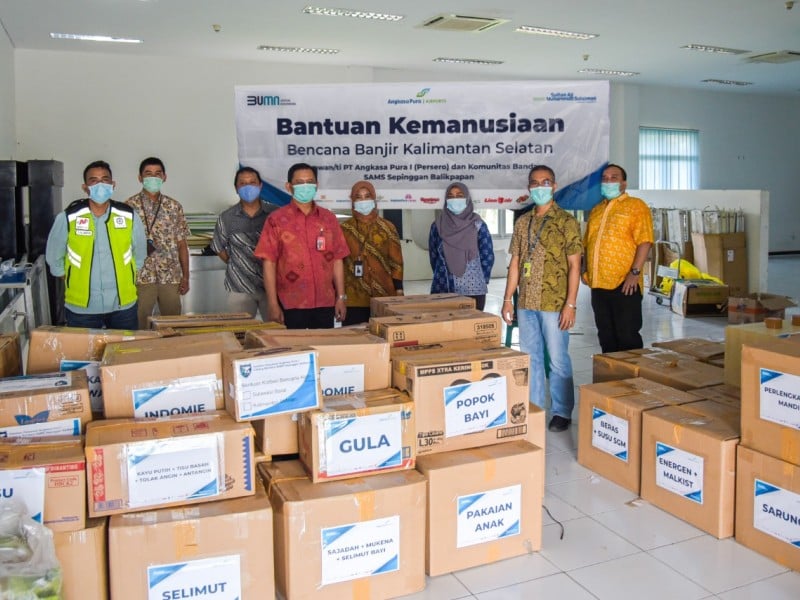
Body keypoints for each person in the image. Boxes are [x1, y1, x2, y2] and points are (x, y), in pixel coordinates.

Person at [502, 165, 582, 432]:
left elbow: (574, 266)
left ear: (554, 185)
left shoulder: (566, 222)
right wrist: (507, 299)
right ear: (529, 188)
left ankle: (561, 411)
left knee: (558, 359)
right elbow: (515, 263)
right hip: (526, 303)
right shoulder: (523, 223)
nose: (539, 187)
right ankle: (535, 408)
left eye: (545, 182)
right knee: (530, 357)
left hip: (554, 304)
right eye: (534, 183)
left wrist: (571, 304)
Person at [45, 160, 147, 329]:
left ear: (113, 185)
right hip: (82, 308)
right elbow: (54, 258)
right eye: (94, 180)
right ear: (85, 187)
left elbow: (140, 255)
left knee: (125, 352)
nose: (101, 184)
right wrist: (72, 277)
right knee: (84, 354)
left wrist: (126, 274)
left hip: (122, 305)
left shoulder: (128, 215)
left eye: (105, 180)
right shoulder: (68, 217)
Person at [254, 163, 349, 329]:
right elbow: (269, 262)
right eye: (300, 182)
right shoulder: (276, 220)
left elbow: (338, 260)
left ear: (317, 185)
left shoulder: (328, 219)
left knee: (323, 350)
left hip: (324, 302)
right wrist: (272, 304)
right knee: (294, 350)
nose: (306, 186)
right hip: (290, 302)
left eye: (310, 181)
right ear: (289, 186)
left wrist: (341, 297)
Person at [583, 163, 654, 353]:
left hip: (624, 284)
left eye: (614, 178)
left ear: (624, 183)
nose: (608, 181)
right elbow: (588, 243)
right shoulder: (597, 210)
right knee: (606, 335)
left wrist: (635, 273)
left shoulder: (636, 206)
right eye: (604, 178)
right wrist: (585, 270)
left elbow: (645, 242)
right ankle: (612, 379)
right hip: (598, 284)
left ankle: (631, 380)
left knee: (627, 336)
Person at [126, 157, 190, 329]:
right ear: (140, 178)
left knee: (172, 325)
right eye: (148, 174)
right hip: (140, 277)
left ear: (164, 177)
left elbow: (182, 244)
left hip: (170, 276)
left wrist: (186, 276)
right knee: (139, 325)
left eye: (157, 174)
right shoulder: (128, 207)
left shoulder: (174, 206)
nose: (153, 178)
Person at [211, 166, 276, 319]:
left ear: (260, 186)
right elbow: (218, 247)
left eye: (252, 182)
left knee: (275, 333)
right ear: (236, 188)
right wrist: (239, 263)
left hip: (272, 287)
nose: (248, 187)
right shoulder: (227, 217)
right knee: (240, 334)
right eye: (243, 183)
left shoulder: (275, 215)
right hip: (239, 286)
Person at [340, 180, 404, 325]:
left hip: (385, 295)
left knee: (385, 337)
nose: (363, 200)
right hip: (354, 298)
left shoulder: (387, 227)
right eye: (358, 197)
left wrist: (399, 291)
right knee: (357, 341)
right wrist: (340, 297)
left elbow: (397, 263)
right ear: (352, 201)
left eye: (367, 196)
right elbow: (339, 264)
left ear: (374, 199)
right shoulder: (344, 230)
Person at [428, 182, 494, 310]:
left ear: (467, 199)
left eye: (459, 195)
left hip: (473, 290)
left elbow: (488, 256)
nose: (455, 199)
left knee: (470, 328)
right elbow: (433, 256)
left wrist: (481, 279)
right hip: (443, 288)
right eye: (451, 196)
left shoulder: (478, 225)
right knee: (442, 328)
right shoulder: (437, 226)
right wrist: (442, 273)